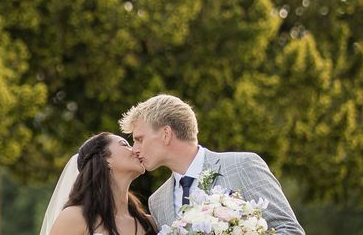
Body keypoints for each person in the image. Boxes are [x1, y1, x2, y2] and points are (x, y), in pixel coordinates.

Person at [119, 94, 305, 235]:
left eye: (139, 139)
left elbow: (290, 229)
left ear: (166, 134)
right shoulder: (157, 201)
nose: (134, 149)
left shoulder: (243, 165)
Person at [41, 132, 156, 235]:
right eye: (125, 144)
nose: (135, 150)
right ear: (106, 160)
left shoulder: (150, 223)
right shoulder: (74, 218)